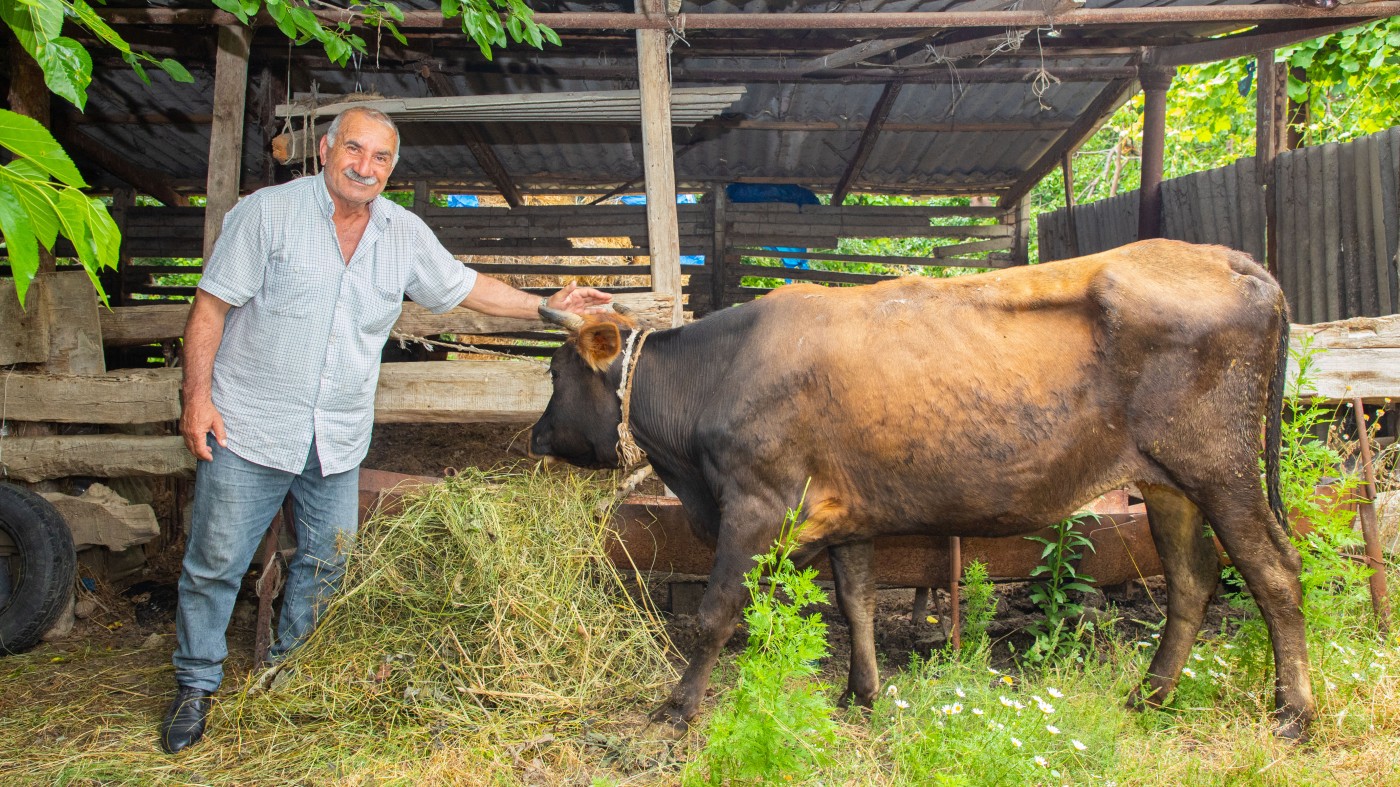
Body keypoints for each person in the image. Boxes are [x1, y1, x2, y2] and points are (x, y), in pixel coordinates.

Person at [160, 106, 611, 754]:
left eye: (380, 158)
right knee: (214, 562)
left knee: (325, 562)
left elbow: (465, 286)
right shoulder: (266, 215)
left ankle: (290, 673)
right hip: (250, 425)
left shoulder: (402, 233)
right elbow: (209, 308)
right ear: (325, 149)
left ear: (392, 168)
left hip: (336, 438)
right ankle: (195, 686)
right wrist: (196, 397)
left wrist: (546, 306)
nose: (364, 166)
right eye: (354, 150)